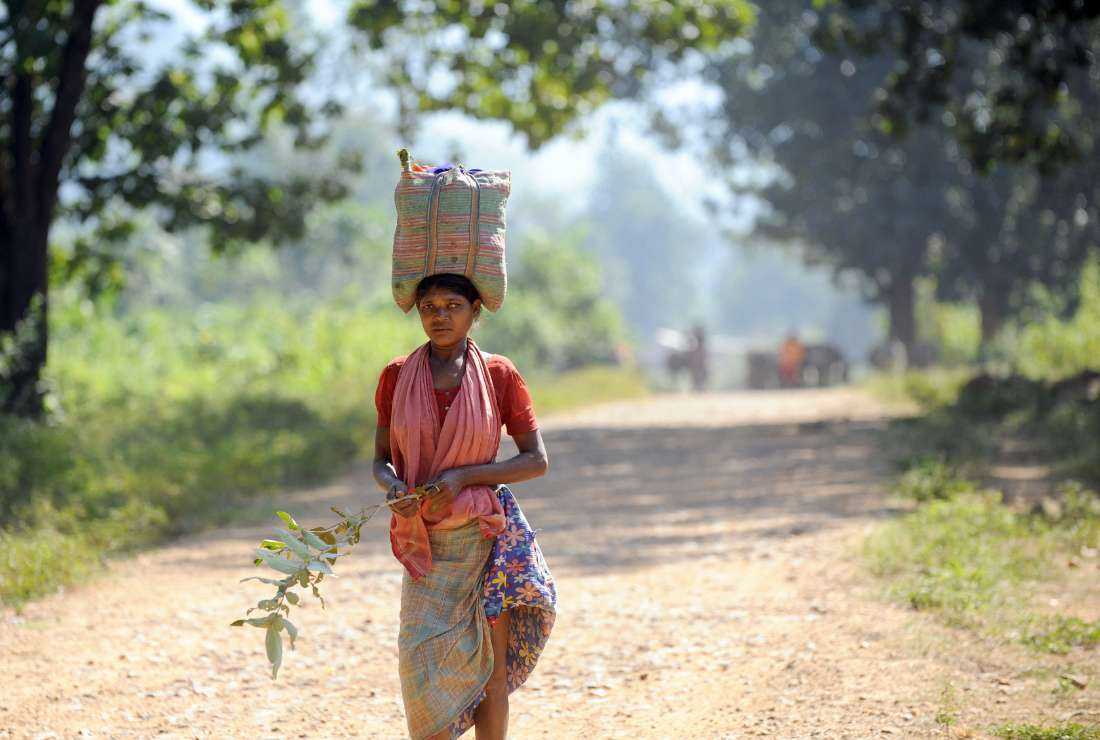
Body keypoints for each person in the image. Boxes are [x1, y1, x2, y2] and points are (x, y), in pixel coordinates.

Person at [372, 272, 557, 740]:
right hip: (425, 542)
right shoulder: (397, 376)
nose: (440, 316)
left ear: (476, 311)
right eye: (429, 307)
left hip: (483, 537)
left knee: (488, 667)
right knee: (420, 661)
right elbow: (379, 461)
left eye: (453, 305)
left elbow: (536, 460)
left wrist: (463, 477)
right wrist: (393, 486)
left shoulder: (498, 375)